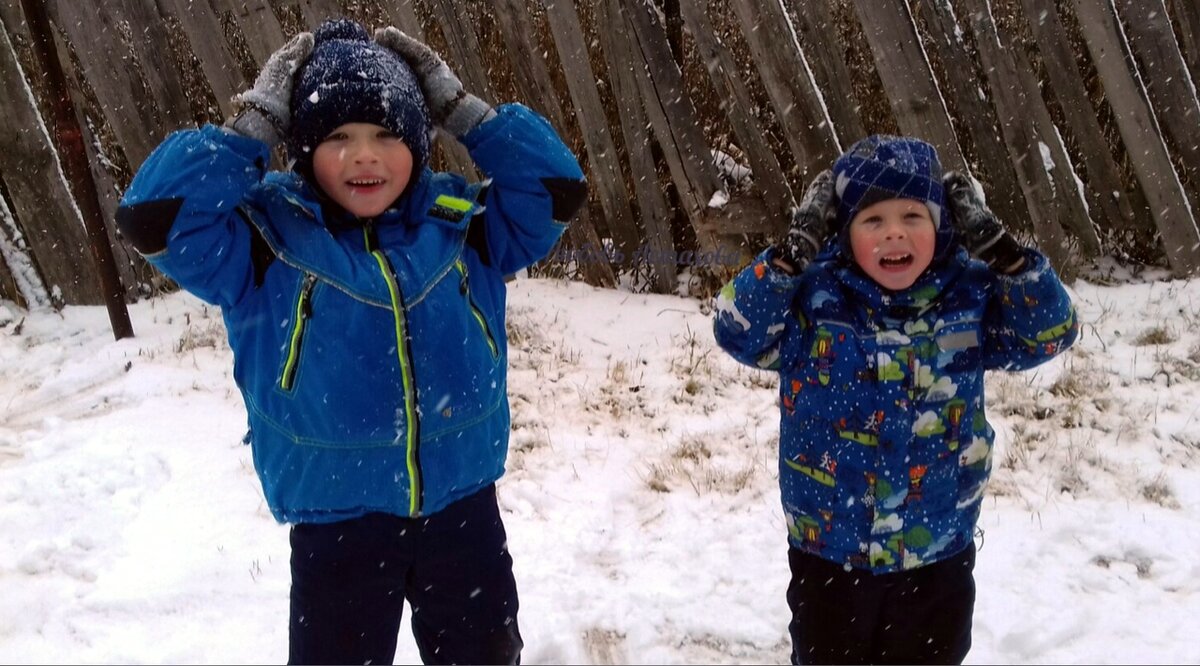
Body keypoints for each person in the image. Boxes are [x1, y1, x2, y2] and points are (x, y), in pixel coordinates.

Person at [115, 18, 586, 665]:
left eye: (388, 134)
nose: (365, 155)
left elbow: (558, 189)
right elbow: (153, 215)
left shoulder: (462, 224)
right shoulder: (261, 240)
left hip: (462, 508)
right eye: (338, 137)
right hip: (338, 524)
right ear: (302, 149)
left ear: (419, 144)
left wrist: (464, 113)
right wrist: (254, 123)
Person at [712, 135, 1077, 664]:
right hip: (832, 551)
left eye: (913, 215)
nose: (895, 233)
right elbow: (736, 331)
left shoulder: (968, 297)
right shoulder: (815, 300)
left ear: (944, 226)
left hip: (937, 551)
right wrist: (789, 259)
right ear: (841, 232)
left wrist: (1008, 258)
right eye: (872, 220)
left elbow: (1050, 333)